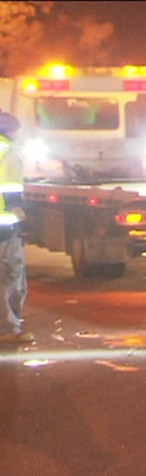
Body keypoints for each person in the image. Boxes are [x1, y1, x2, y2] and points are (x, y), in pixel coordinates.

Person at [0, 112, 31, 344]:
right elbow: (10, 191)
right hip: (4, 228)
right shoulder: (7, 154)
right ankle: (9, 328)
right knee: (10, 276)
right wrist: (22, 221)